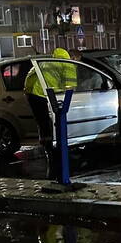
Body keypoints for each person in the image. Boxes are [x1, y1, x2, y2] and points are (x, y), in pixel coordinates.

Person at [24, 48, 77, 177]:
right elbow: (71, 87)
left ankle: (48, 146)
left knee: (42, 122)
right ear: (75, 57)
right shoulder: (68, 63)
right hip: (42, 93)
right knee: (46, 124)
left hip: (31, 92)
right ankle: (52, 151)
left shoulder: (50, 60)